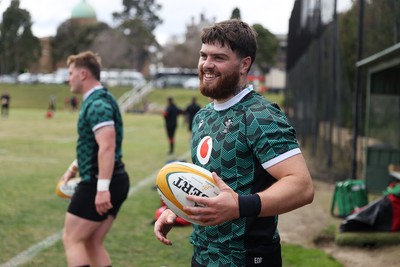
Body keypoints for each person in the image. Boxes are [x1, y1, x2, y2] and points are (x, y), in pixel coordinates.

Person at [154, 19, 314, 267]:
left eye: (218, 57)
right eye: (203, 55)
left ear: (244, 64)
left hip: (248, 258)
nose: (207, 64)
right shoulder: (202, 117)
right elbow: (208, 184)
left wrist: (239, 206)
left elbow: (302, 187)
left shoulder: (261, 116)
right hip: (203, 256)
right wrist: (176, 209)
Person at [59, 50, 130, 267]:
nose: (68, 78)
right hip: (114, 178)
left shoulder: (97, 103)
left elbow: (107, 146)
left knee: (72, 239)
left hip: (100, 181)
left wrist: (101, 188)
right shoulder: (100, 99)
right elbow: (93, 145)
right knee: (92, 242)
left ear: (83, 74)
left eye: (70, 73)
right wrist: (73, 168)